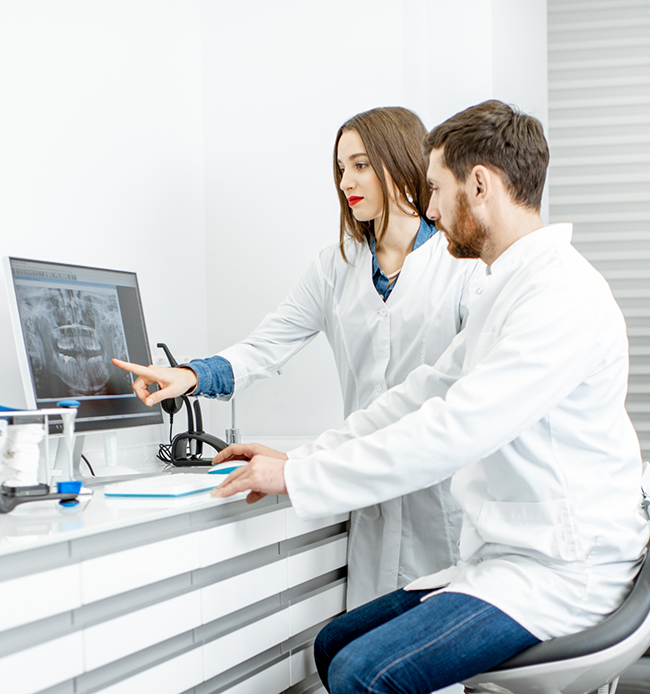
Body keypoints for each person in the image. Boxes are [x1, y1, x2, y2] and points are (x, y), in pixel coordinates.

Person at [206, 100, 650, 694]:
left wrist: (299, 481)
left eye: (437, 190)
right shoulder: (506, 288)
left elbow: (454, 427)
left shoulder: (559, 296)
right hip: (513, 558)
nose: (431, 208)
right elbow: (424, 394)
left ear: (480, 185)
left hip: (563, 572)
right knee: (333, 642)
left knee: (363, 673)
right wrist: (301, 461)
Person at [114, 106, 483, 610]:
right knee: (366, 655)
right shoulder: (336, 267)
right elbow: (267, 345)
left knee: (437, 671)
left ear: (398, 165)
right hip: (365, 492)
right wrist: (189, 375)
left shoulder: (459, 266)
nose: (345, 181)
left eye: (360, 165)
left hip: (441, 496)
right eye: (340, 169)